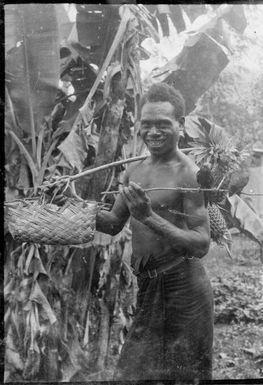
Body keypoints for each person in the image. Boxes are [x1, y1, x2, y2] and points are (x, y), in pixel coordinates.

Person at [95, 83, 213, 382]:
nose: (153, 132)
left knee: (186, 377)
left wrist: (149, 217)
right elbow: (112, 223)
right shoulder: (134, 170)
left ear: (180, 125)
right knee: (134, 376)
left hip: (184, 287)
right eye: (146, 125)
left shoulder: (189, 173)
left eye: (163, 124)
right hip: (148, 287)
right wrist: (72, 207)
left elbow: (201, 244)